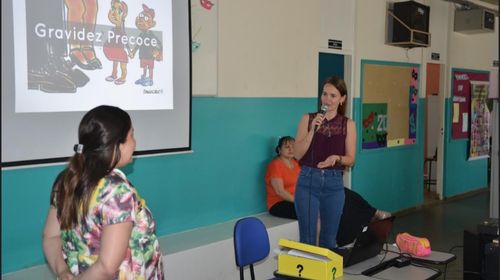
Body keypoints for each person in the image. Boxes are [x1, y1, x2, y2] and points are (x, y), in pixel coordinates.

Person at [42, 105, 164, 279]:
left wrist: (62, 271)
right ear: (116, 145)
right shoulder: (116, 192)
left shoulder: (66, 180)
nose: (135, 143)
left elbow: (51, 236)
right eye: (131, 135)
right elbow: (107, 267)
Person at [265, 136, 391, 246]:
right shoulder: (275, 165)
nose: (291, 149)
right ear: (279, 150)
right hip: (281, 203)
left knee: (343, 193)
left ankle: (371, 214)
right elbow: (280, 191)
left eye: (293, 146)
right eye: (287, 147)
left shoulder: (298, 163)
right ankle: (321, 246)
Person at [293, 75, 355, 250]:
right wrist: (313, 130)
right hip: (307, 180)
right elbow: (297, 154)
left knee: (329, 240)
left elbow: (351, 159)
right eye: (324, 94)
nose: (327, 99)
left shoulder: (348, 124)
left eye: (333, 95)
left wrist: (337, 158)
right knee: (308, 239)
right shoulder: (307, 118)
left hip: (334, 183)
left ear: (342, 99)